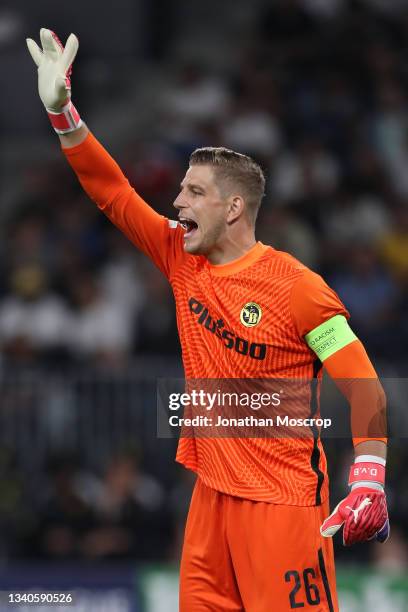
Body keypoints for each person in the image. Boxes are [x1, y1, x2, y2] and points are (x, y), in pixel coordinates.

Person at [26, 29, 389, 612]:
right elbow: (111, 193)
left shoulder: (298, 289)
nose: (177, 203)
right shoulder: (178, 256)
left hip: (282, 501)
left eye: (194, 192)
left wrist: (370, 471)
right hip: (211, 498)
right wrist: (64, 115)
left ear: (234, 207)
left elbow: (362, 380)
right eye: (181, 191)